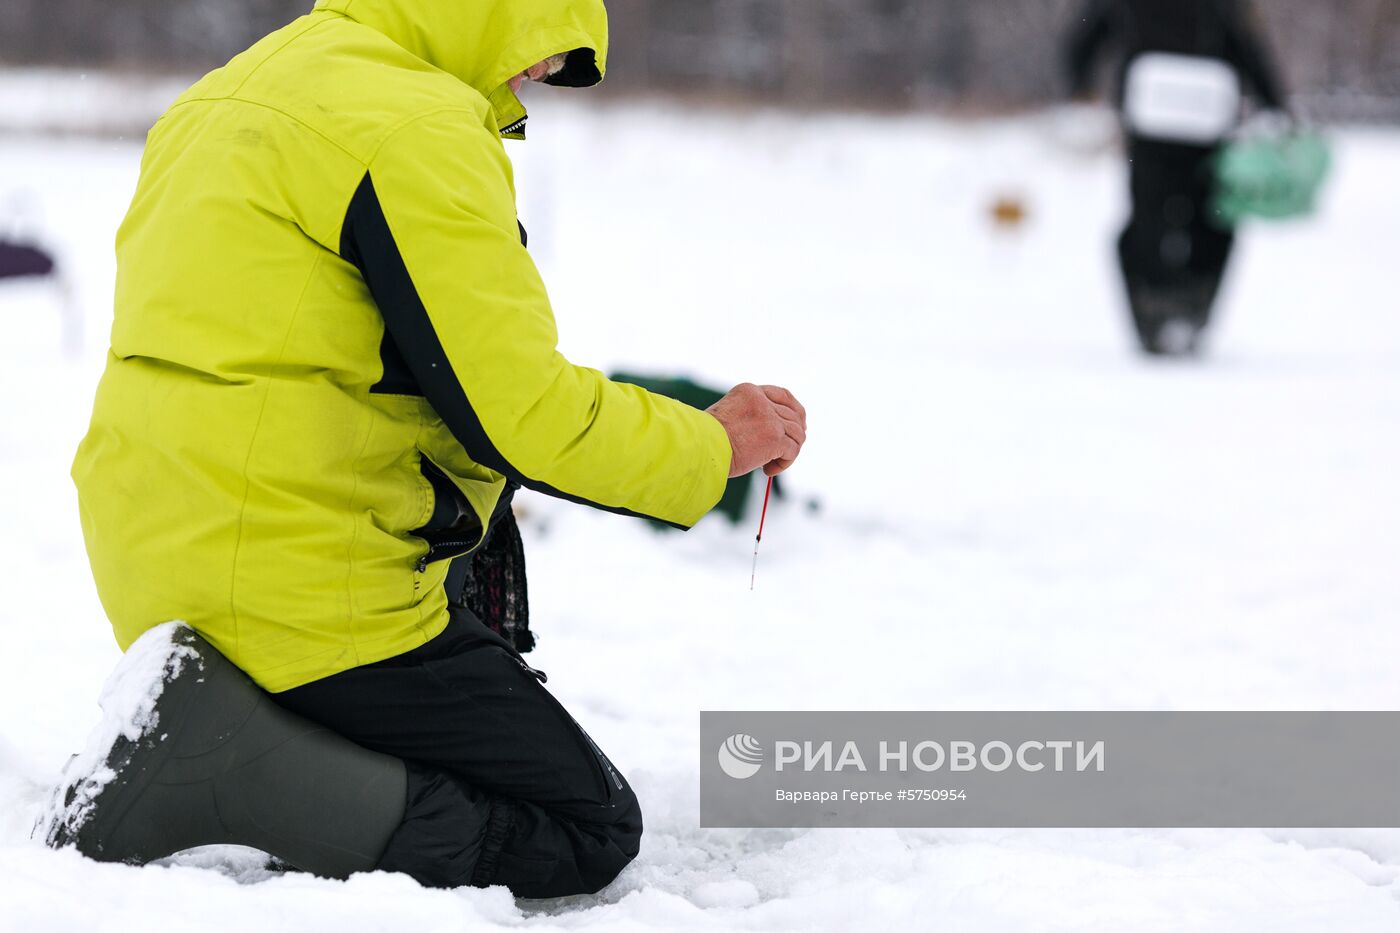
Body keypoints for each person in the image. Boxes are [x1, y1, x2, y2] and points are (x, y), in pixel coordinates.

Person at [45, 0, 806, 898]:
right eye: (549, 53)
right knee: (586, 825)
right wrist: (708, 444)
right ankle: (223, 770)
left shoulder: (225, 93)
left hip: (157, 567)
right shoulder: (414, 122)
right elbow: (519, 412)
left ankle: (223, 717)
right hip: (303, 597)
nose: (539, 80)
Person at [1064, 0, 1288, 355]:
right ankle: (1189, 306)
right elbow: (1244, 43)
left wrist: (1080, 87)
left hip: (1154, 117)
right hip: (1204, 116)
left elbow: (1087, 36)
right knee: (1209, 218)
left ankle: (1157, 310)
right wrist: (1273, 104)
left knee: (1149, 220)